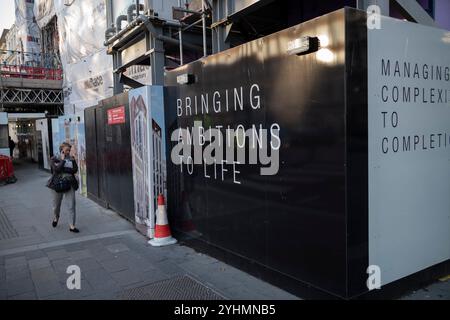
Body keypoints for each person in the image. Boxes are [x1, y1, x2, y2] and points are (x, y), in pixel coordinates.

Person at [49, 142, 79, 233]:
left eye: (69, 150)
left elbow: (74, 170)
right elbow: (57, 170)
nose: (68, 152)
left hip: (70, 184)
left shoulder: (72, 159)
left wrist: (64, 168)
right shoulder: (54, 158)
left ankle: (72, 226)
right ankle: (56, 217)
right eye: (66, 150)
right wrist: (62, 161)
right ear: (61, 150)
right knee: (56, 206)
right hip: (57, 184)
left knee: (71, 205)